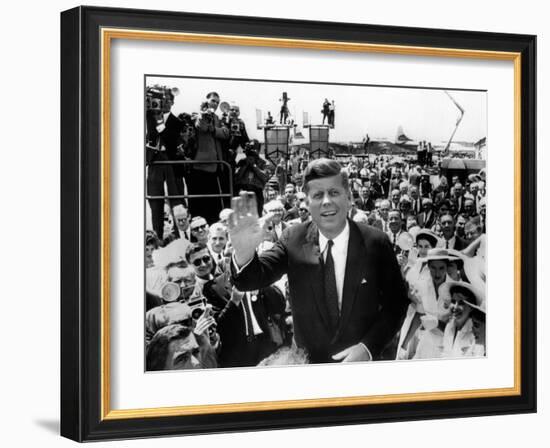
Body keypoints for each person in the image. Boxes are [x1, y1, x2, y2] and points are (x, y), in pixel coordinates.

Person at [229, 158, 408, 364]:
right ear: (307, 203)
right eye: (317, 195)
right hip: (307, 365)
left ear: (348, 198)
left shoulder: (376, 242)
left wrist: (367, 347)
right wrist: (243, 253)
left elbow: (396, 304)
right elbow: (252, 279)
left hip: (360, 366)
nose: (326, 201)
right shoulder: (292, 239)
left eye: (334, 192)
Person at [188, 92, 230, 223]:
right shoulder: (196, 115)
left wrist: (213, 129)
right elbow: (201, 126)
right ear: (206, 101)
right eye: (213, 101)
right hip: (200, 167)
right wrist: (203, 113)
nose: (215, 104)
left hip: (215, 167)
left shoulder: (217, 118)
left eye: (217, 102)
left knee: (214, 205)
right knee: (198, 206)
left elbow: (225, 133)